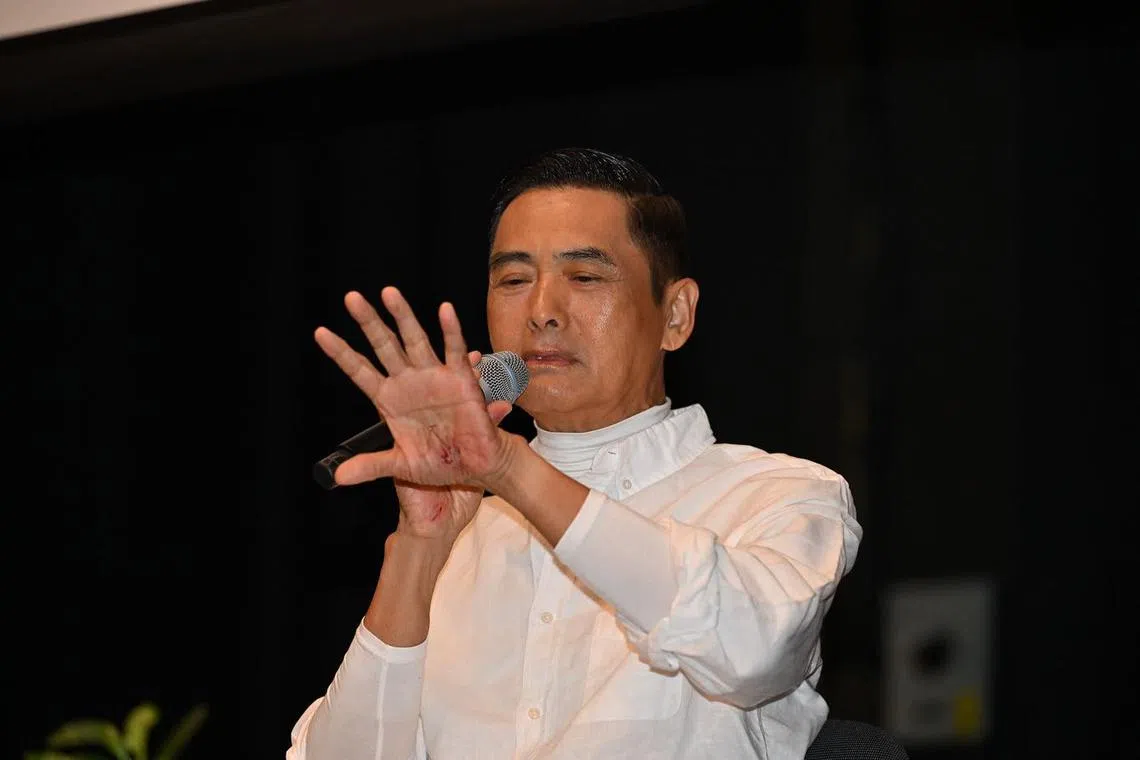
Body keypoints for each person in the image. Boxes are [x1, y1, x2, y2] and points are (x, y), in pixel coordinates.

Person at [286, 147, 862, 759]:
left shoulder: (776, 494)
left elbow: (752, 654)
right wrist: (419, 549)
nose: (541, 313)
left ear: (676, 314)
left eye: (584, 277)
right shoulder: (460, 537)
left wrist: (510, 468)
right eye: (513, 280)